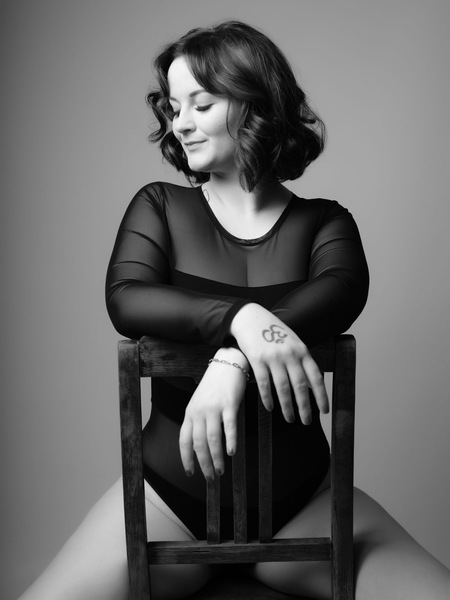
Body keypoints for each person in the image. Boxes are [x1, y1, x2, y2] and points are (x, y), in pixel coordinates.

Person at [19, 20, 449, 600]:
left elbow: (344, 288)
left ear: (254, 103)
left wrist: (235, 360)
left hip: (307, 508)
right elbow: (126, 296)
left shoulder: (325, 222)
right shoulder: (159, 207)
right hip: (165, 506)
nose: (180, 123)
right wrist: (241, 320)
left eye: (201, 104)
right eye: (174, 108)